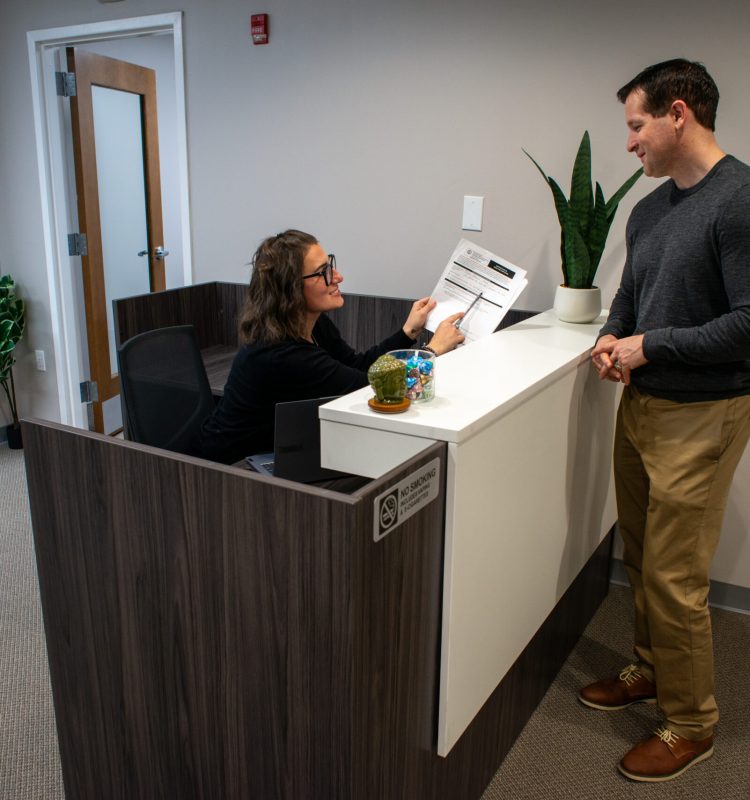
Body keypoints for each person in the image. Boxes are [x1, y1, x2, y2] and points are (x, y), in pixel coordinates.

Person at [584, 59, 750, 783]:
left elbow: (748, 324)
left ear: (678, 114)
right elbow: (629, 298)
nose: (629, 144)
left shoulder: (739, 200)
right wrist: (609, 338)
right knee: (641, 556)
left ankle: (693, 724)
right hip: (641, 405)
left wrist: (651, 345)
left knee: (677, 576)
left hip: (704, 413)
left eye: (636, 124)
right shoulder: (648, 208)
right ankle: (650, 670)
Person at [199, 229, 464, 464]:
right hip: (229, 471)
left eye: (331, 265)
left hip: (274, 453)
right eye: (323, 272)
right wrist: (431, 351)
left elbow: (360, 366)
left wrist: (409, 331)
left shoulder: (314, 325)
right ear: (291, 289)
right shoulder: (281, 355)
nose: (337, 276)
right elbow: (367, 387)